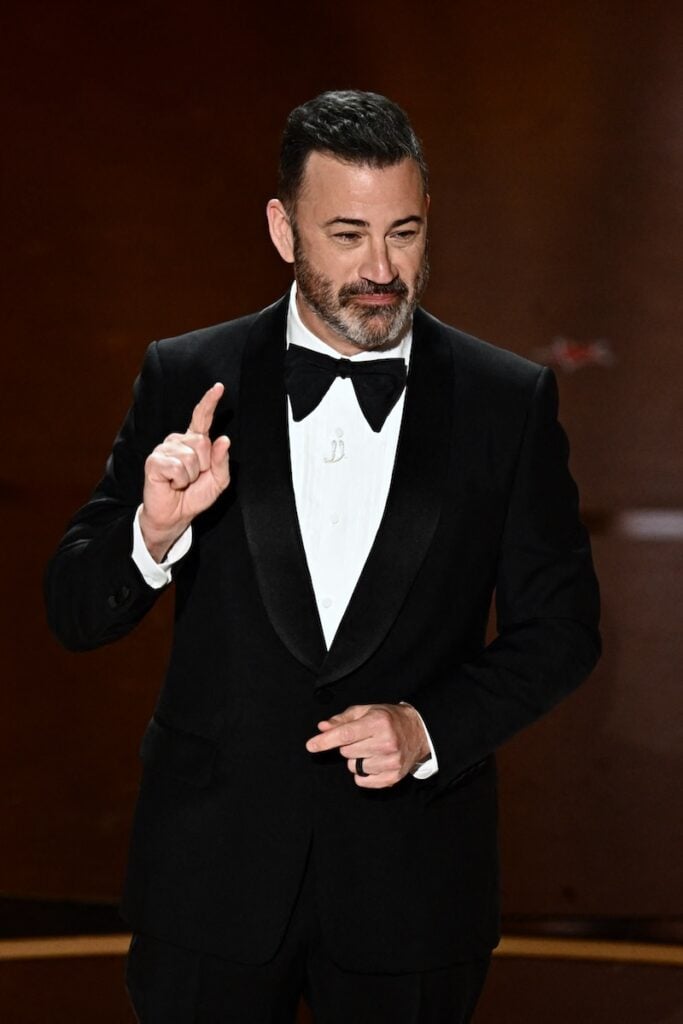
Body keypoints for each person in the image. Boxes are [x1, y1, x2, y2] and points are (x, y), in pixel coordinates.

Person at [45, 90, 600, 1024]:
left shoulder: (508, 402)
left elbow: (564, 631)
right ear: (281, 229)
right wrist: (153, 535)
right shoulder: (185, 376)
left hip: (413, 895)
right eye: (346, 235)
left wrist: (429, 727)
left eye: (405, 232)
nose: (381, 270)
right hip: (205, 887)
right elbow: (72, 610)